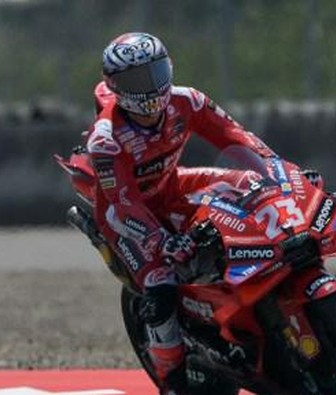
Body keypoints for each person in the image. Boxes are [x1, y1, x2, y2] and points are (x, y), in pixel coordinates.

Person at [86, 32, 283, 395]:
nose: (150, 87)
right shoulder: (106, 139)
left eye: (156, 72)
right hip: (125, 218)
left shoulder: (188, 100)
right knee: (160, 286)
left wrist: (277, 172)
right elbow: (125, 203)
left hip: (171, 186)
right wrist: (161, 240)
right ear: (115, 86)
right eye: (136, 80)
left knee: (248, 187)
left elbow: (236, 137)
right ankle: (172, 380)